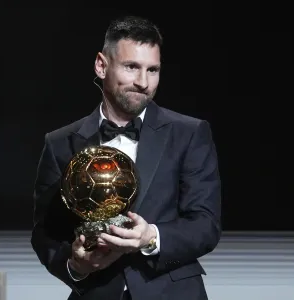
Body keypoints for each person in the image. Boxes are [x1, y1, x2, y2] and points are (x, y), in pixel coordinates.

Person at [31, 15, 221, 300]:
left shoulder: (190, 133)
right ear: (101, 65)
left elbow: (206, 224)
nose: (143, 82)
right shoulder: (60, 142)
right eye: (132, 67)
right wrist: (75, 266)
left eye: (153, 70)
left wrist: (151, 237)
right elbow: (45, 233)